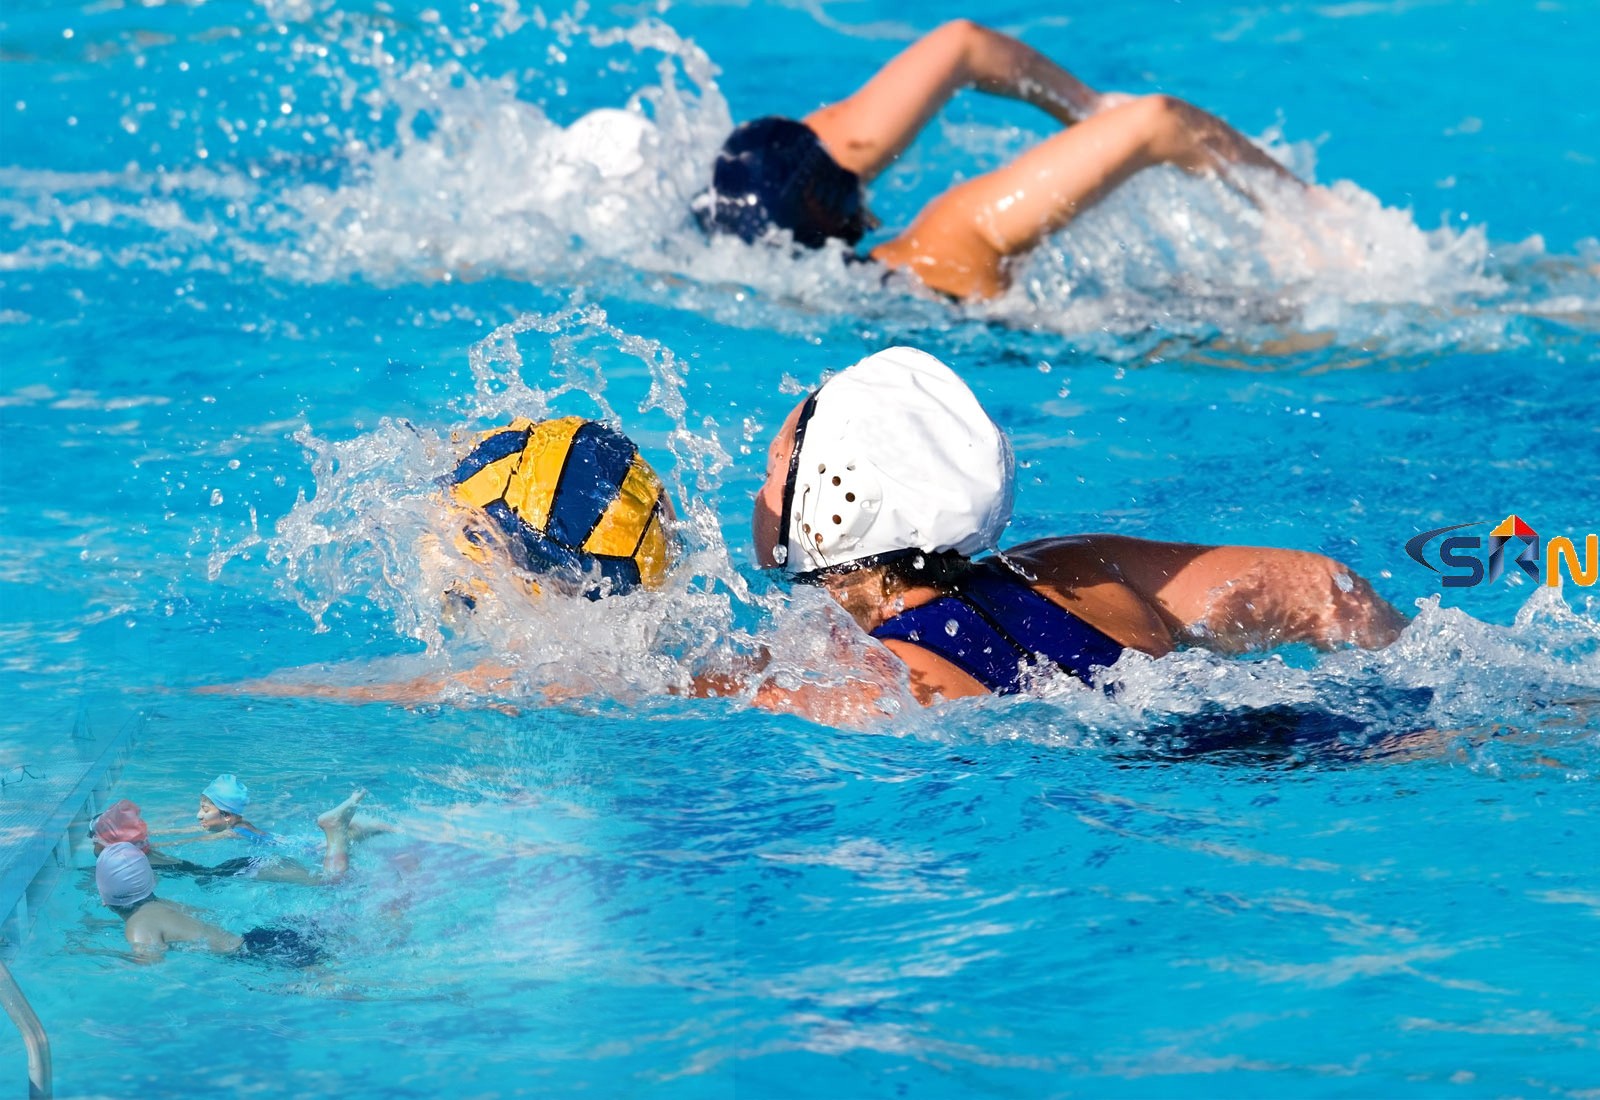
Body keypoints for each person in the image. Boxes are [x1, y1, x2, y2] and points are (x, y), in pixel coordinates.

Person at [748, 346, 1408, 706]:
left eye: (776, 467)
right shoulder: (1078, 572)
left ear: (833, 503)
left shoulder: (864, 673)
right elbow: (1328, 589)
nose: (761, 491)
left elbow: (655, 701)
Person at [696, 19, 1302, 301]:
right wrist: (1312, 215)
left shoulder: (733, 267)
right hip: (1227, 336)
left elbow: (961, 46)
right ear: (832, 204)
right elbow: (1158, 121)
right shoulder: (946, 240)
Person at [95, 807, 361, 966]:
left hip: (257, 955)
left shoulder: (138, 926)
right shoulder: (163, 906)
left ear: (103, 897)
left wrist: (101, 955)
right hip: (262, 936)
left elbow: (150, 963)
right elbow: (207, 918)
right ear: (151, 881)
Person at [187, 777, 378, 883]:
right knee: (340, 863)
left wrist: (162, 845)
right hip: (294, 842)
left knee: (334, 882)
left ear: (226, 815)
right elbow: (187, 832)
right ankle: (355, 829)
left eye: (205, 810)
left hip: (298, 849)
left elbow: (193, 840)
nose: (199, 815)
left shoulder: (234, 831)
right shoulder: (241, 824)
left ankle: (338, 828)